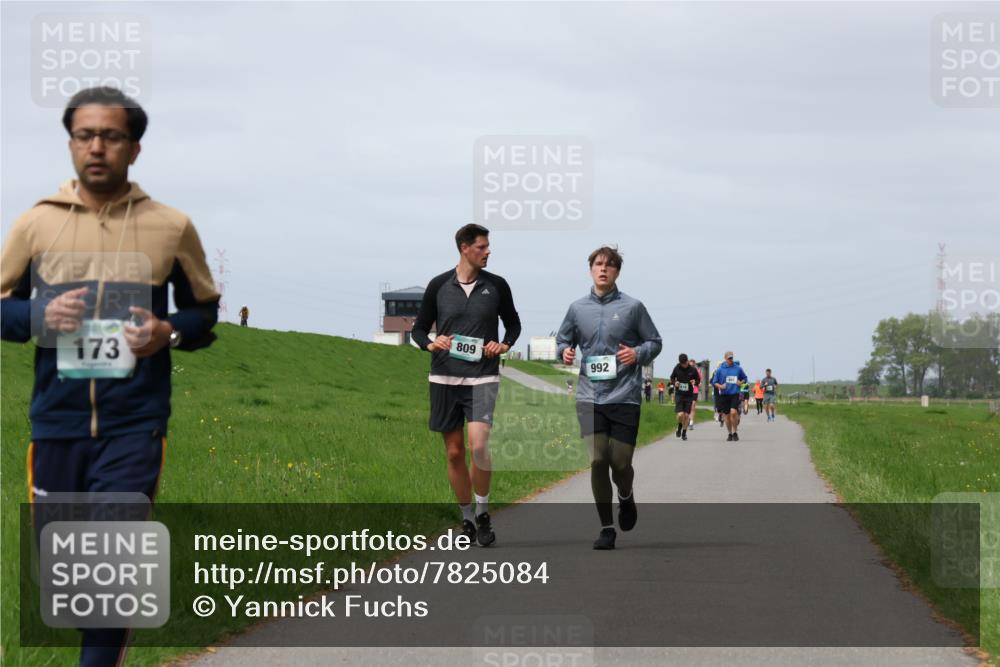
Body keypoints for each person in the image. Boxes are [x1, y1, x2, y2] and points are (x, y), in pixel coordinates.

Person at [0, 87, 220, 667]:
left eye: (111, 136)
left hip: (134, 425)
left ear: (134, 147)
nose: (96, 147)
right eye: (84, 135)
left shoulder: (170, 227)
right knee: (74, 588)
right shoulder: (34, 225)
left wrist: (168, 332)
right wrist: (36, 315)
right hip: (57, 423)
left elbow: (204, 312)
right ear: (71, 143)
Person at [411, 224, 521, 547]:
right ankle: (467, 518)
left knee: (478, 446)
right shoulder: (438, 285)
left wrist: (503, 344)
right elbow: (419, 329)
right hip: (444, 377)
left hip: (483, 376)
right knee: (455, 452)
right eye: (482, 247)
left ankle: (484, 512)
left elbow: (513, 323)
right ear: (464, 248)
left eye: (488, 247)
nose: (488, 252)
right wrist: (431, 344)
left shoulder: (497, 285)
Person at [556, 246, 662, 550]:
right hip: (589, 395)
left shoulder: (633, 307)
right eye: (599, 264)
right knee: (598, 459)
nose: (604, 269)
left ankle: (626, 496)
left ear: (617, 272)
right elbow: (563, 339)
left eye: (610, 265)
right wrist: (563, 351)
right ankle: (606, 528)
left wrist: (637, 353)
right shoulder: (577, 309)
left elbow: (654, 341)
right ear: (590, 269)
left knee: (620, 462)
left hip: (625, 395)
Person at [711, 351, 748, 441]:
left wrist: (741, 382)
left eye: (732, 358)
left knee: (734, 412)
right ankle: (730, 433)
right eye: (729, 358)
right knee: (726, 416)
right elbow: (714, 382)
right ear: (725, 358)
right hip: (724, 395)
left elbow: (745, 378)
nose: (731, 360)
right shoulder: (720, 370)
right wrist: (720, 386)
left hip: (735, 394)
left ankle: (735, 432)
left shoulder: (738, 368)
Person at [669, 353, 700, 441]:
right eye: (682, 364)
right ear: (680, 362)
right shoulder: (677, 368)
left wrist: (695, 382)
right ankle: (679, 427)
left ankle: (684, 433)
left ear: (687, 361)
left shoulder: (693, 369)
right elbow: (671, 378)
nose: (684, 365)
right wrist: (675, 383)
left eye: (685, 363)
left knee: (686, 415)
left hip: (689, 395)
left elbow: (698, 380)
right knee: (680, 415)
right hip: (679, 394)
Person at [688, 358, 701, 430]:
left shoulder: (697, 371)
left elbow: (699, 381)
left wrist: (697, 383)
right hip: (687, 391)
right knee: (688, 407)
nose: (691, 366)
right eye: (690, 365)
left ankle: (691, 422)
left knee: (693, 406)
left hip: (695, 391)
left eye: (693, 365)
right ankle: (688, 419)